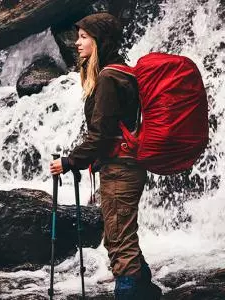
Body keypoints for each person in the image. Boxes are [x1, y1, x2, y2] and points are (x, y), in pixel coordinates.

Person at [49, 13, 161, 300]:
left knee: (119, 241)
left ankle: (130, 293)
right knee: (119, 236)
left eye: (84, 37)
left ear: (100, 41)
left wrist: (70, 161)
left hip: (121, 168)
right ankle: (148, 293)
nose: (77, 43)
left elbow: (101, 134)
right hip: (124, 165)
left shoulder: (110, 77)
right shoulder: (120, 71)